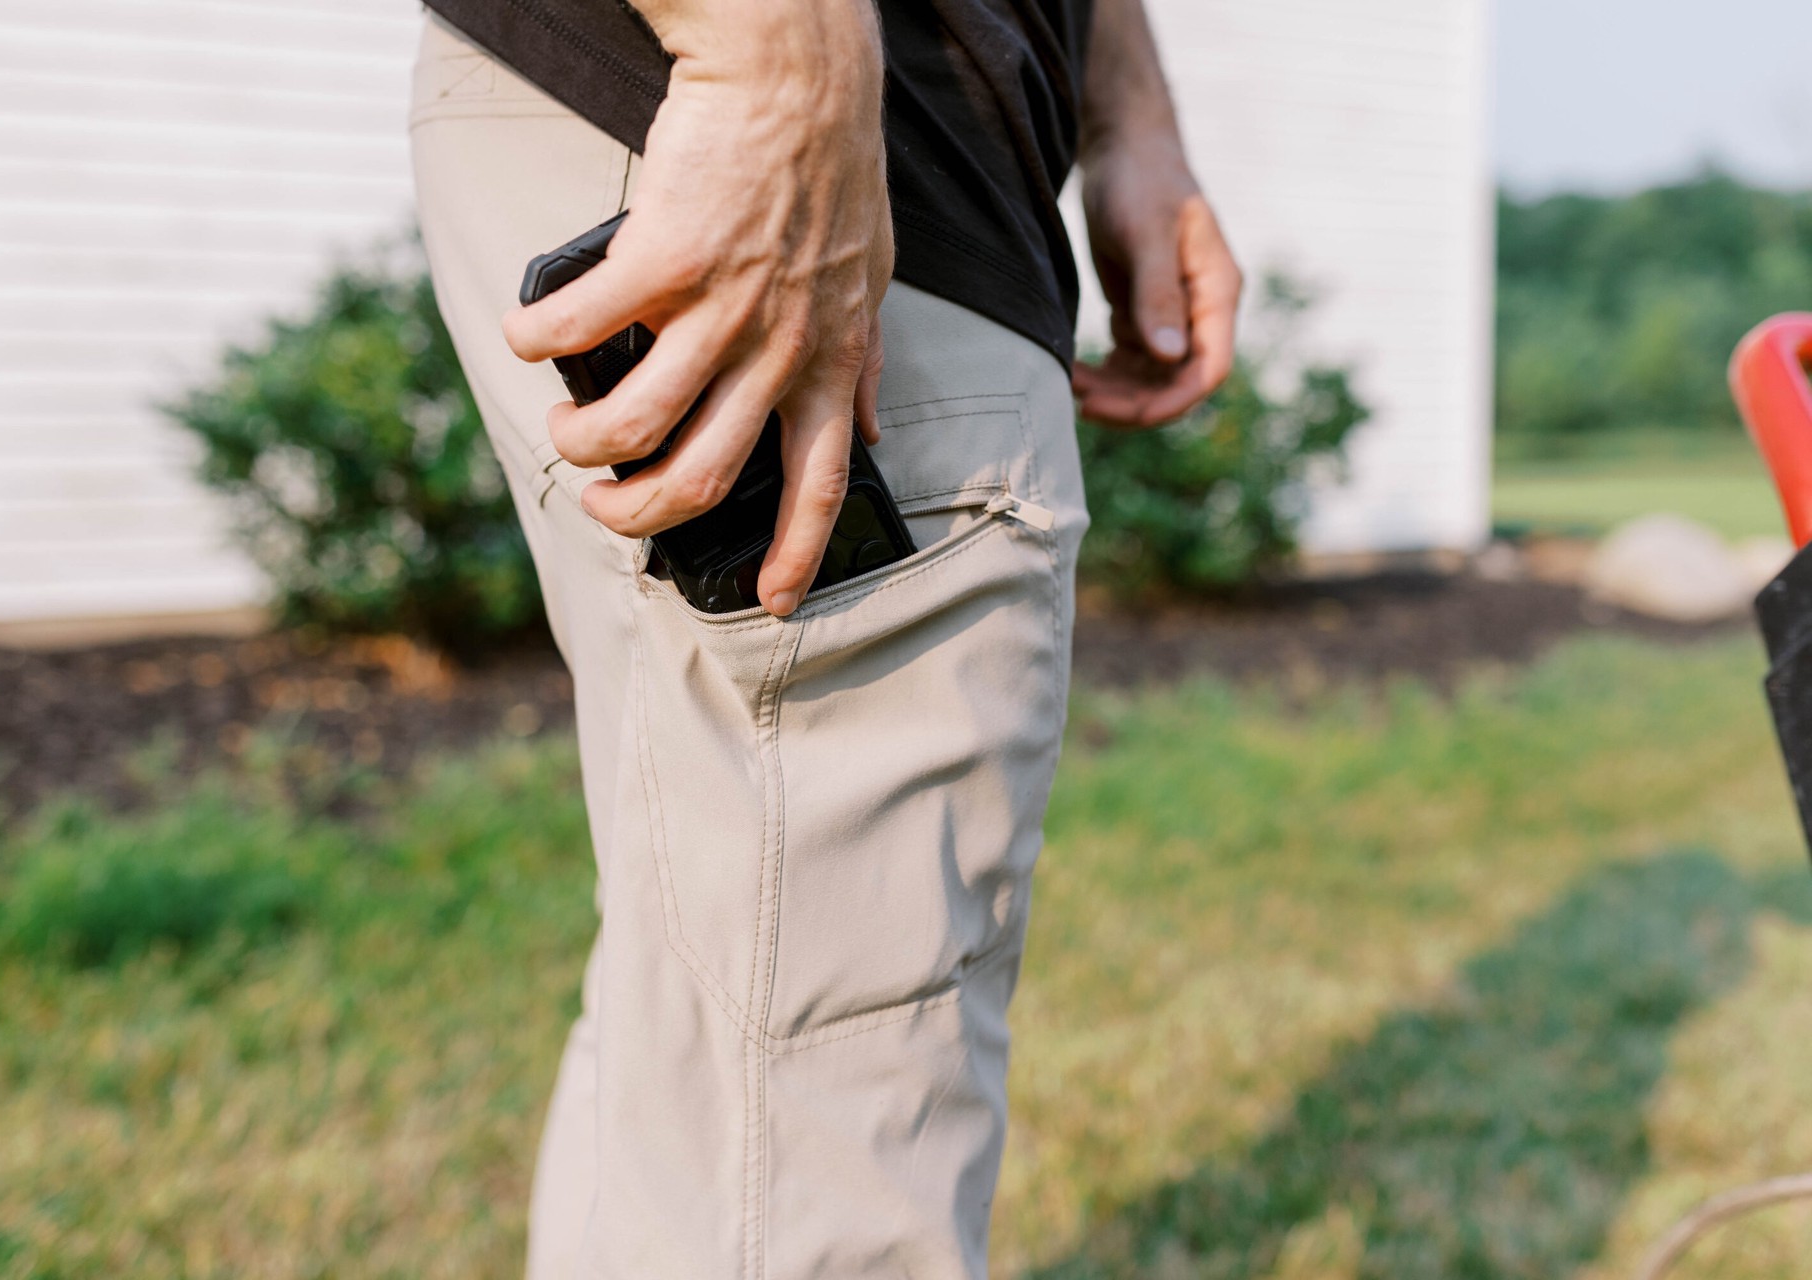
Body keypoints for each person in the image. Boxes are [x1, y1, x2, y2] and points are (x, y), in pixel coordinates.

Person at [407, 0, 1240, 1274]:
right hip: (805, 116)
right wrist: (772, 56)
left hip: (823, 114)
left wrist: (1126, 111)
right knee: (816, 1095)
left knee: (710, 1016)